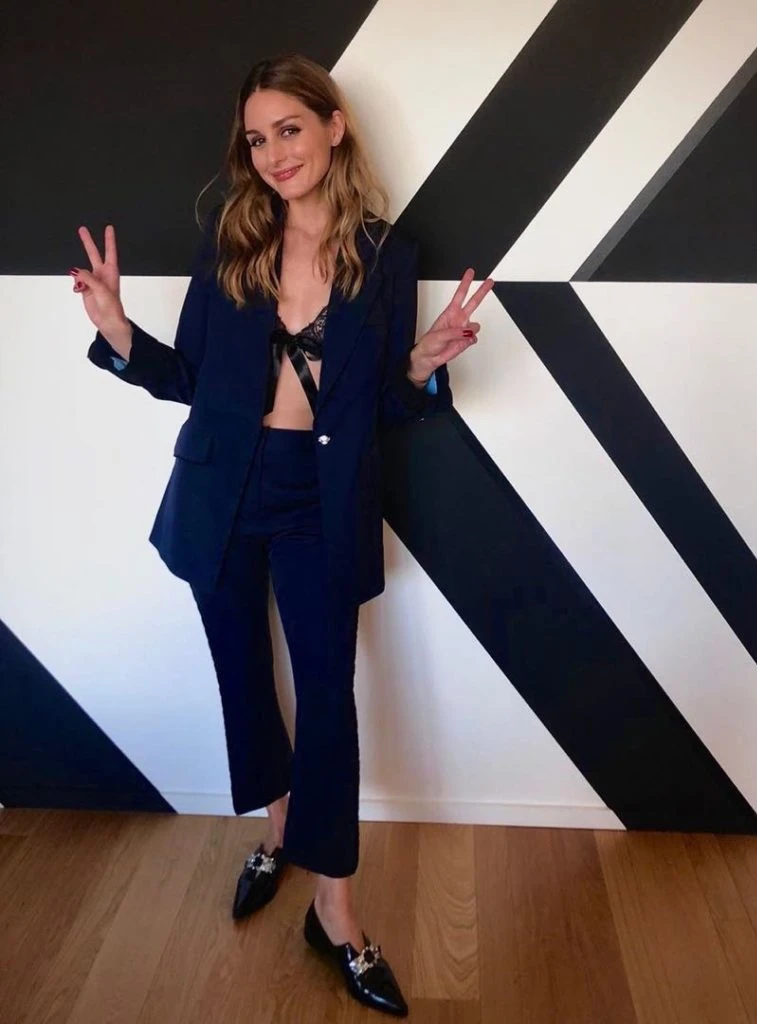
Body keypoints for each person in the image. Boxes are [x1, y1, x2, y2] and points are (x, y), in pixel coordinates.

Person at [72, 53, 493, 1017]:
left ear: (334, 127)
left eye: (289, 130)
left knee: (328, 701)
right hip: (221, 492)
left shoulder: (387, 254)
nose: (273, 154)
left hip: (319, 499)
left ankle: (333, 911)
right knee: (243, 677)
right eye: (257, 139)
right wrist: (119, 330)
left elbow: (378, 406)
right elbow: (190, 382)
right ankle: (278, 828)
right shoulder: (231, 241)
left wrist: (423, 364)